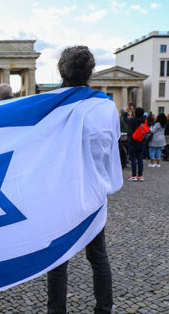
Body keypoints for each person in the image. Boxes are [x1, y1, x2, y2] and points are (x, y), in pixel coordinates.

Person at [47, 46, 121, 314]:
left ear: (61, 71)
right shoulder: (106, 106)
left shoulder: (50, 106)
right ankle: (104, 308)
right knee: (98, 256)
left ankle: (56, 310)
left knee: (58, 261)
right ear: (90, 71)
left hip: (62, 193)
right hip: (94, 191)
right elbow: (112, 147)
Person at [123, 106, 146, 181]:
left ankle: (134, 175)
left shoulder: (133, 120)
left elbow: (125, 120)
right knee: (140, 159)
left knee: (133, 158)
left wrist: (126, 112)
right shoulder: (144, 120)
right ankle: (140, 175)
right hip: (141, 141)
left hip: (133, 141)